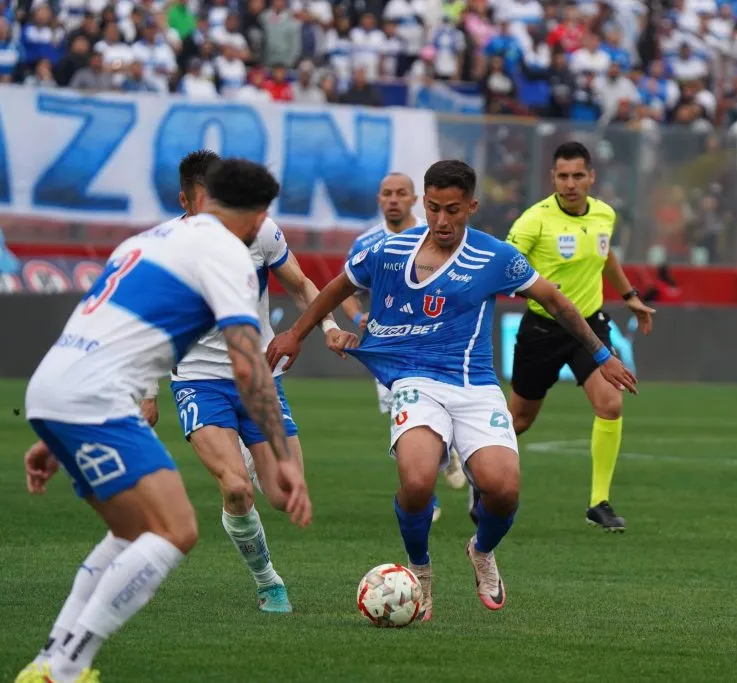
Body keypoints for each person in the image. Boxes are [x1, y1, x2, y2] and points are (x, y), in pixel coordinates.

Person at [265, 160, 637, 620]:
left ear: (472, 207)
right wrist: (296, 334)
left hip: (475, 386)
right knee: (418, 482)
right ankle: (420, 569)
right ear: (425, 203)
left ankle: (481, 549)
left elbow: (556, 301)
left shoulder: (494, 257)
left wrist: (603, 355)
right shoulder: (389, 250)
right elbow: (338, 287)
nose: (443, 220)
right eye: (435, 208)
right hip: (415, 383)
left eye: (454, 210)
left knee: (503, 490)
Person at [17, 159, 310, 683]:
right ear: (259, 212)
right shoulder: (227, 252)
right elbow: (247, 360)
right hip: (99, 399)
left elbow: (97, 324)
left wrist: (52, 432)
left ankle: (50, 661)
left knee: (132, 531)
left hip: (57, 389)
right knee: (173, 529)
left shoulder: (143, 242)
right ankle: (67, 666)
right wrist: (281, 453)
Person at [136, 150, 343, 614]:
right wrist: (148, 395)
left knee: (283, 494)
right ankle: (268, 581)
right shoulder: (167, 247)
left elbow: (302, 283)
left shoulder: (260, 231)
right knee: (235, 489)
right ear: (186, 201)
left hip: (259, 378)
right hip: (196, 379)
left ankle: (246, 461)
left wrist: (327, 328)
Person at [502, 141, 655, 533]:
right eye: (563, 176)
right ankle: (478, 478)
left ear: (591, 177)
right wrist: (532, 289)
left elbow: (604, 256)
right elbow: (504, 271)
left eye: (578, 176)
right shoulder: (532, 222)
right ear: (553, 178)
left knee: (611, 404)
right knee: (517, 420)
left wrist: (630, 296)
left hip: (589, 327)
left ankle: (598, 503)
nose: (570, 184)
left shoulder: (604, 214)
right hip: (541, 329)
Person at [339, 172, 468, 523]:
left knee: (437, 406)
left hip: (432, 345)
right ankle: (427, 491)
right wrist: (359, 318)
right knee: (402, 418)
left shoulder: (437, 237)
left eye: (400, 193)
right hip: (386, 346)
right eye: (386, 194)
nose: (393, 199)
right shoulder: (367, 242)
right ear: (379, 200)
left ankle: (446, 454)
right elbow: (347, 291)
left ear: (415, 200)